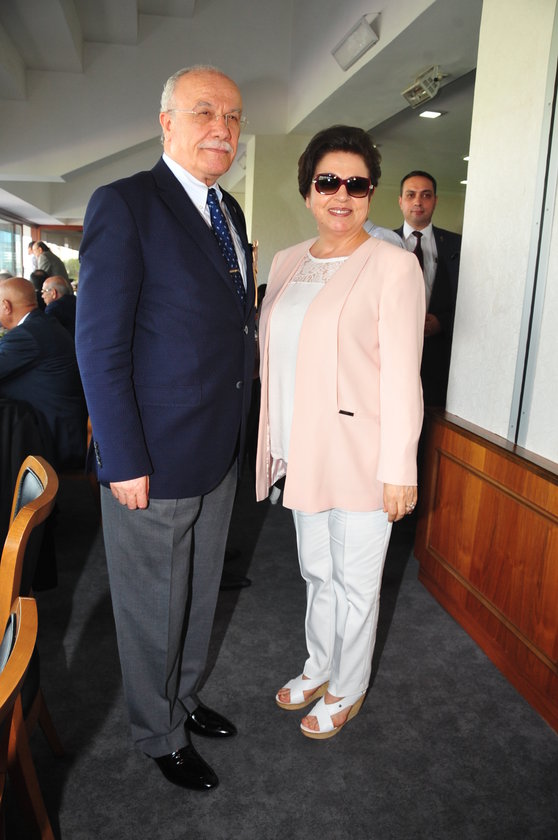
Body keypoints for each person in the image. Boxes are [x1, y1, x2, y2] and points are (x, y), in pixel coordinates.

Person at [75, 65, 255, 791]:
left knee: (198, 592)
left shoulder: (228, 209)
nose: (222, 128)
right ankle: (158, 732)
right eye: (205, 111)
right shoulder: (124, 203)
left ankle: (181, 698)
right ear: (167, 122)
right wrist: (121, 457)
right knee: (153, 605)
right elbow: (99, 344)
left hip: (218, 445)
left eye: (233, 117)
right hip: (150, 453)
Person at [255, 125, 424, 739]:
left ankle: (349, 685)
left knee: (356, 583)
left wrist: (400, 468)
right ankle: (320, 665)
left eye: (357, 184)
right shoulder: (287, 261)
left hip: (361, 453)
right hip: (302, 449)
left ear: (371, 192)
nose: (342, 195)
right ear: (308, 191)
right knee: (316, 572)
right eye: (328, 182)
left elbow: (403, 375)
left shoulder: (394, 266)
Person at [0, 277, 87, 469]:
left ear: (6, 306)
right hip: (66, 427)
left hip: (53, 438)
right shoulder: (42, 324)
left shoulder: (27, 335)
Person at [395, 170, 461, 407]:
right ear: (401, 201)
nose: (418, 202)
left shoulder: (457, 245)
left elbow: (470, 299)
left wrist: (442, 322)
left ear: (435, 200)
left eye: (426, 195)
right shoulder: (382, 244)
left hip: (439, 361)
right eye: (411, 195)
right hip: (393, 355)